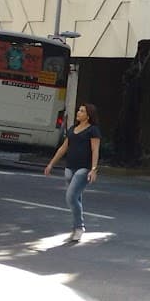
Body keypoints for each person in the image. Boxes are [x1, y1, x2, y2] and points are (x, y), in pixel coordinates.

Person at [45, 103, 102, 243]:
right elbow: (63, 148)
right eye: (79, 110)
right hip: (69, 167)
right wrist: (51, 164)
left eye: (82, 111)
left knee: (71, 197)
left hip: (84, 169)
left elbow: (95, 150)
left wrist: (94, 169)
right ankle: (76, 228)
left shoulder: (93, 130)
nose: (78, 112)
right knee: (77, 198)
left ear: (88, 116)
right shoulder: (72, 129)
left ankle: (79, 227)